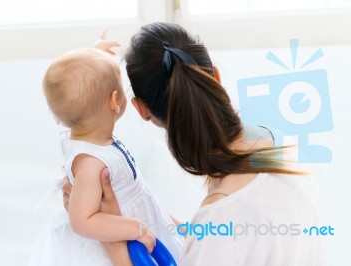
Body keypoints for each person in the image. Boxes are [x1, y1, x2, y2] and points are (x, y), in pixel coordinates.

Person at [63, 22, 327, 265]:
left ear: (141, 109)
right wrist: (143, 218)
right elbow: (238, 237)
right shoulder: (281, 143)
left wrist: (114, 246)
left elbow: (224, 235)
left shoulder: (220, 214)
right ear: (215, 76)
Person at [28, 39, 184, 265]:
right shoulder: (91, 163)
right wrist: (134, 228)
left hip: (141, 229)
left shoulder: (93, 138)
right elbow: (82, 220)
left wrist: (95, 55)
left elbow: (81, 84)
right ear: (114, 100)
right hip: (114, 244)